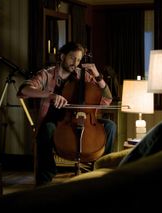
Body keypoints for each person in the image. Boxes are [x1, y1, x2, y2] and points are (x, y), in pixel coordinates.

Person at [17, 42, 116, 186]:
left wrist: (97, 76)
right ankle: (45, 178)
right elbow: (24, 90)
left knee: (110, 126)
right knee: (46, 130)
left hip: (82, 119)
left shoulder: (83, 75)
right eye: (72, 58)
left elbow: (107, 98)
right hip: (56, 121)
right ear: (62, 56)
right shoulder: (47, 74)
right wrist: (51, 95)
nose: (75, 63)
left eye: (78, 60)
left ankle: (103, 169)